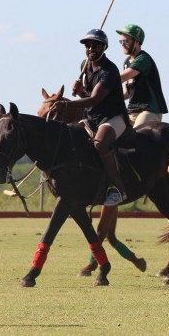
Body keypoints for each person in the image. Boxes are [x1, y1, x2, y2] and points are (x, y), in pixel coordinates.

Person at [49, 28, 130, 206]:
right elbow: (88, 96)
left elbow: (94, 99)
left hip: (113, 118)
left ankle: (118, 189)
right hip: (92, 118)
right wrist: (80, 92)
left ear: (104, 48)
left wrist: (66, 103)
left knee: (100, 143)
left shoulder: (109, 70)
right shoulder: (85, 66)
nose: (91, 48)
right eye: (88, 45)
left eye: (95, 45)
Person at [116, 24, 168, 127]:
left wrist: (100, 83)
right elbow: (127, 93)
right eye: (120, 42)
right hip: (132, 111)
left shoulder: (143, 59)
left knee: (136, 137)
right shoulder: (126, 63)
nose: (122, 44)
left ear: (136, 42)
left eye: (126, 41)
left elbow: (119, 78)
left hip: (149, 111)